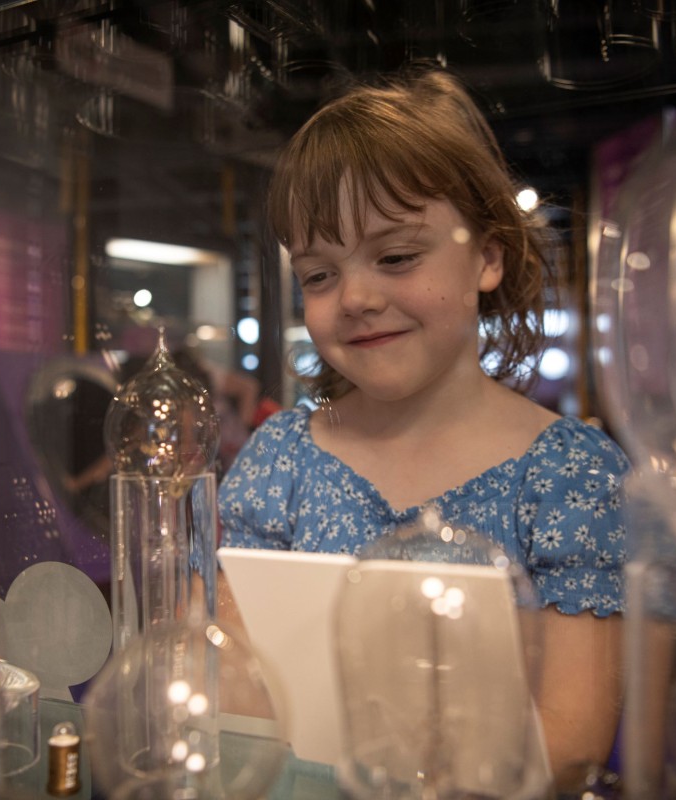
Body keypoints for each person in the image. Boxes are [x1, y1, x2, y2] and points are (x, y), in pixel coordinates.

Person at [216, 67, 630, 787]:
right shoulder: (280, 456)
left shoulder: (572, 474)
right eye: (319, 275)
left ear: (489, 257)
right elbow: (236, 696)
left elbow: (571, 743)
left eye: (397, 256)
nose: (357, 298)